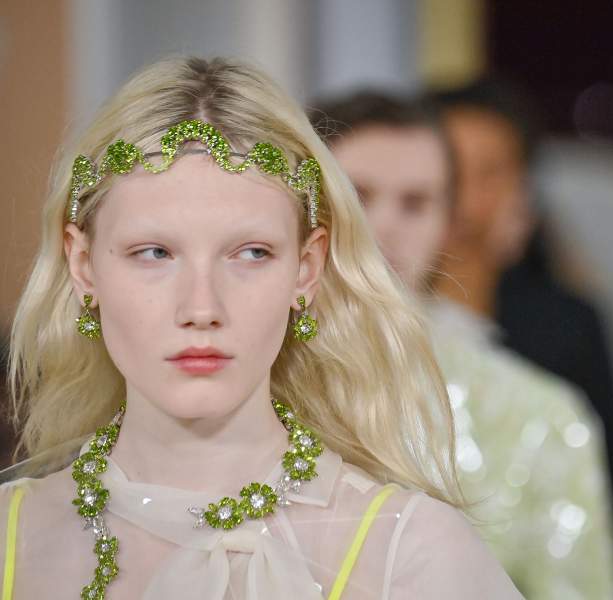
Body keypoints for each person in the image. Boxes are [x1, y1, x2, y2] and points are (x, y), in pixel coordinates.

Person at [0, 56, 524, 600]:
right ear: (83, 265)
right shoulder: (9, 539)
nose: (201, 307)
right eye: (154, 252)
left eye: (251, 253)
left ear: (307, 267)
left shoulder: (413, 552)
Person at [314, 90, 613, 599]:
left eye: (416, 202)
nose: (385, 227)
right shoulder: (238, 390)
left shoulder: (538, 416)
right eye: (357, 196)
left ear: (446, 221)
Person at [431, 79, 613, 599]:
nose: (465, 198)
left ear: (524, 190)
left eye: (489, 172)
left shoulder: (568, 325)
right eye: (448, 171)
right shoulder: (372, 329)